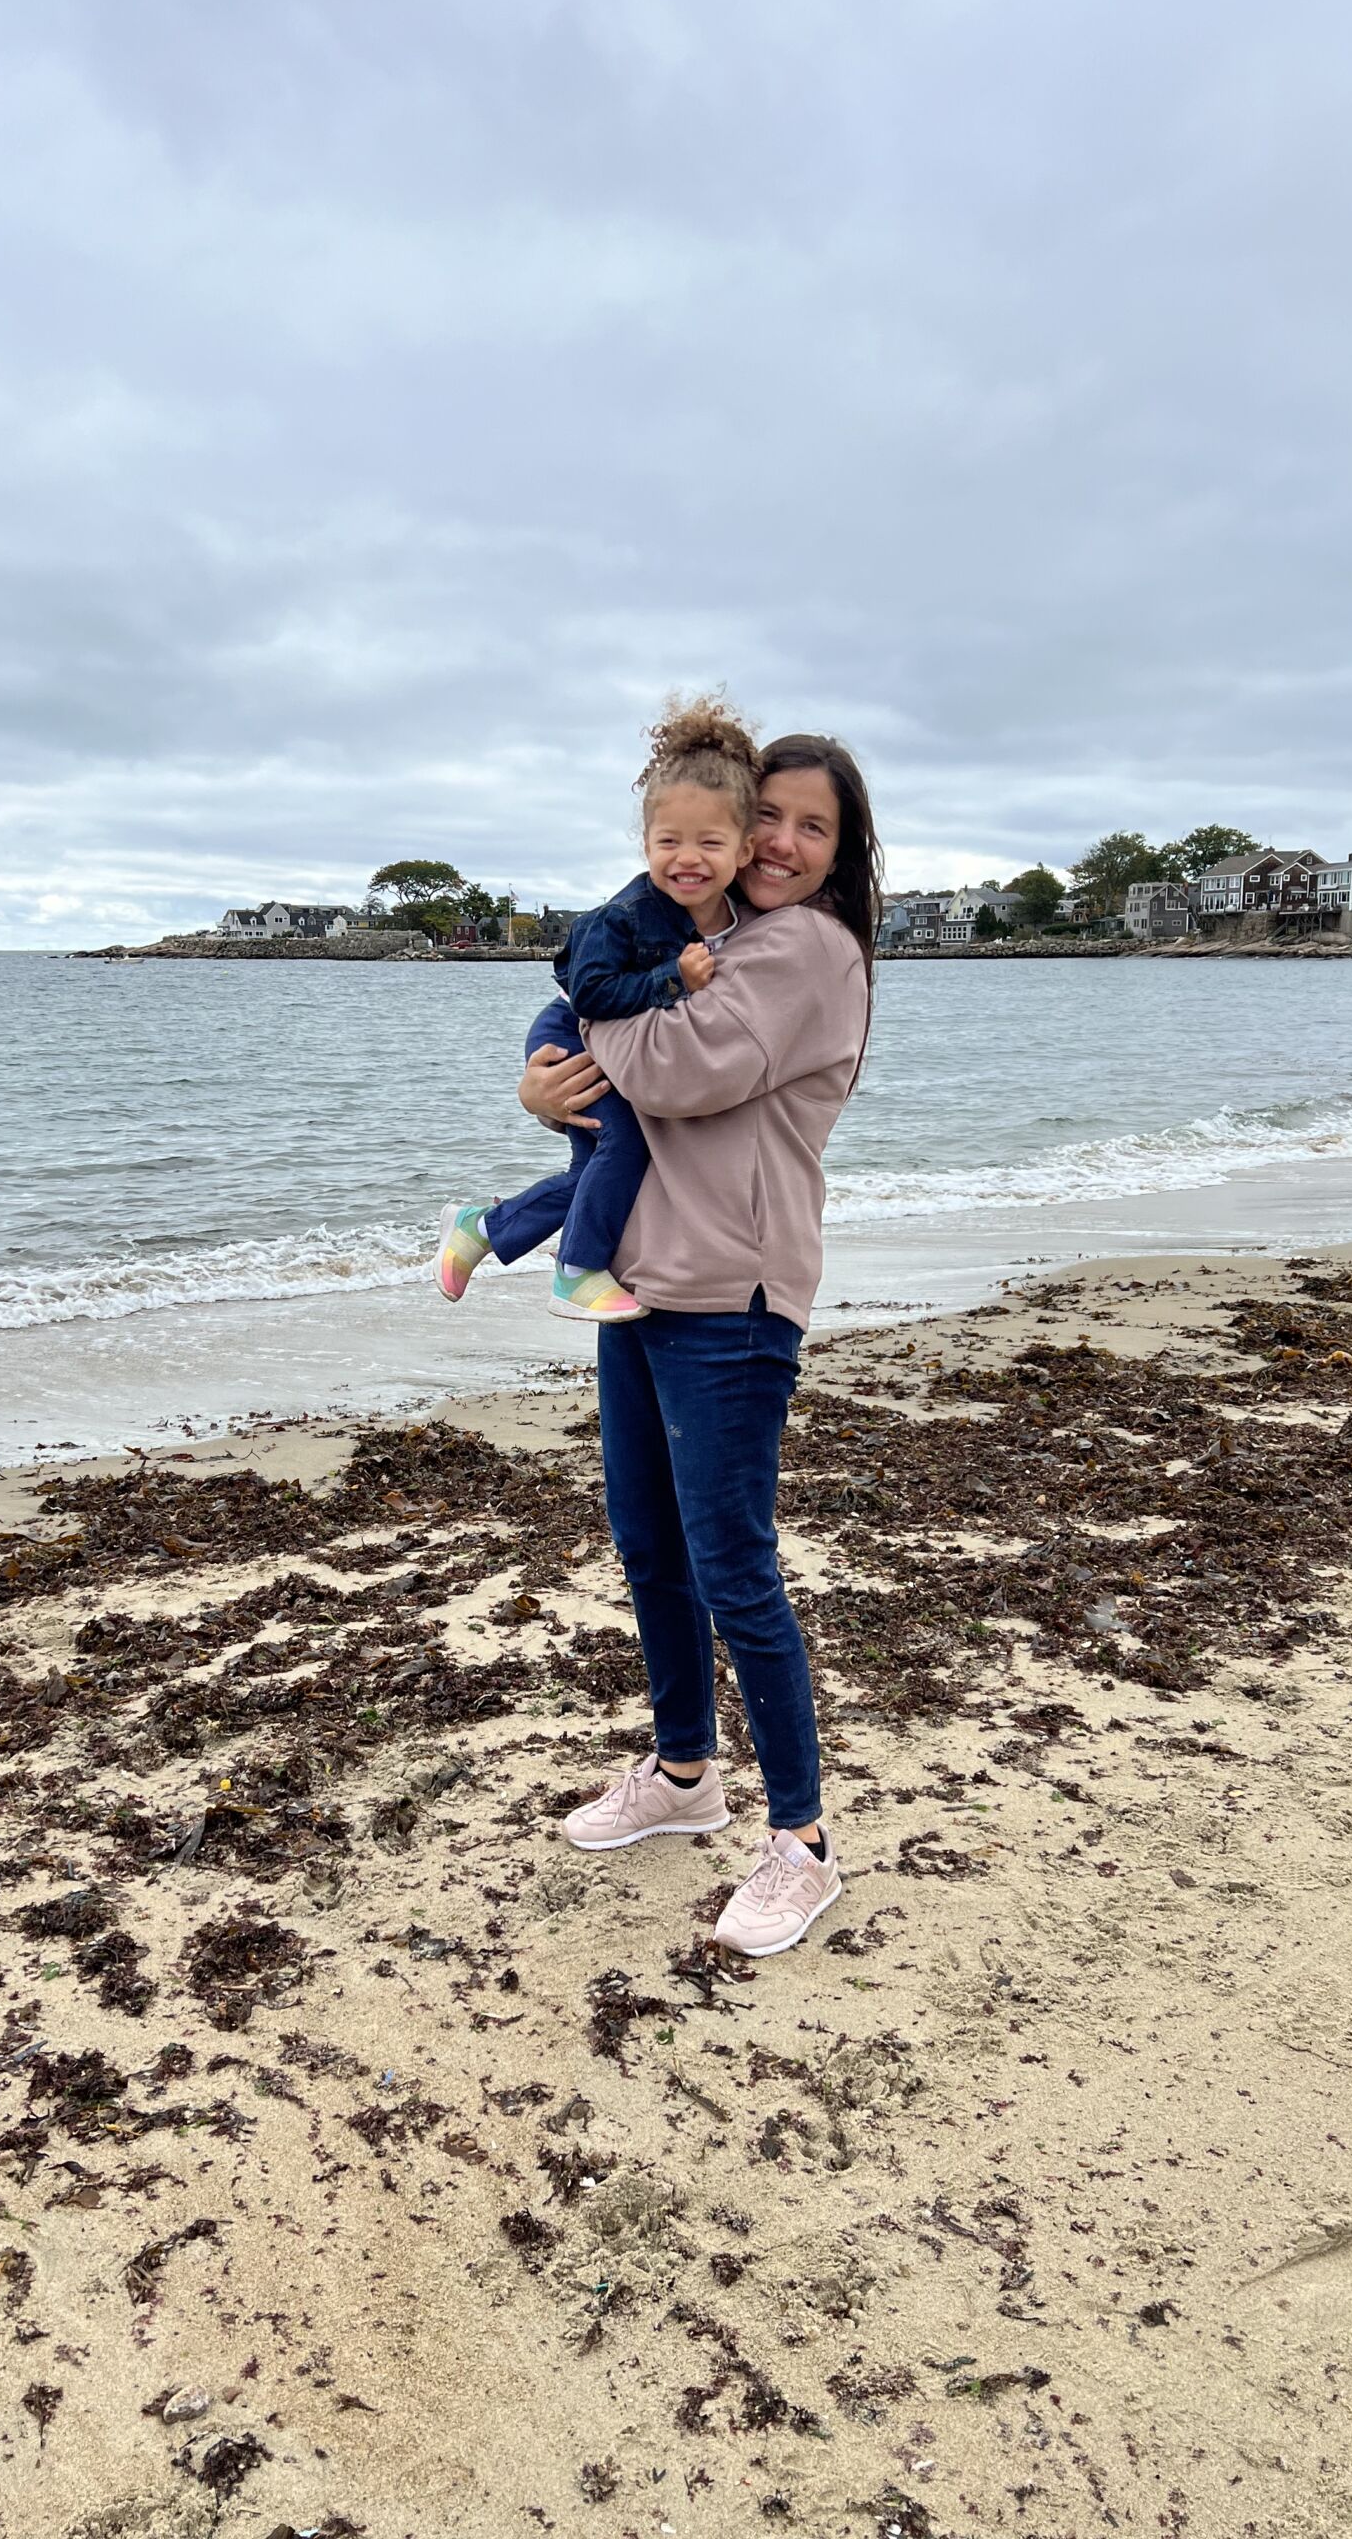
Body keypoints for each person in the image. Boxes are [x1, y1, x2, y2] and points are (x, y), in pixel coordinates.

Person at [521, 730, 882, 1956]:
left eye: (809, 827)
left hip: (735, 1293)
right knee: (647, 1543)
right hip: (643, 1280)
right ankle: (684, 1773)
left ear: (842, 851)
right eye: (766, 817)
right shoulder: (710, 936)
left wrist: (582, 1015)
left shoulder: (811, 950)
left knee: (734, 1564)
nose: (780, 843)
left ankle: (803, 1844)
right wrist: (541, 1073)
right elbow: (588, 1016)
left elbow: (676, 1072)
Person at [433, 699, 759, 1322]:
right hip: (571, 1030)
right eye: (669, 842)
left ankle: (479, 1229)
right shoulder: (622, 917)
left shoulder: (736, 917)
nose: (687, 858)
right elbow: (593, 996)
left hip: (603, 1033)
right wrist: (674, 978)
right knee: (625, 1143)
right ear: (645, 843)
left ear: (743, 851)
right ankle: (576, 1269)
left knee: (602, 1167)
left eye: (709, 843)